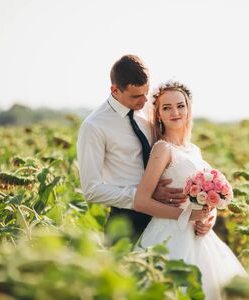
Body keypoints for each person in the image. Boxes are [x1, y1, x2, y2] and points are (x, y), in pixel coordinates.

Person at [76, 55, 214, 240]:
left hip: (169, 220)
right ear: (114, 90)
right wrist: (144, 195)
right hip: (127, 221)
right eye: (135, 96)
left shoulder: (152, 111)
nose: (143, 101)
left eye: (146, 93)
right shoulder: (94, 126)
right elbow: (92, 189)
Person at [134, 81, 247, 299]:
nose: (175, 112)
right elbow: (141, 201)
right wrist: (187, 215)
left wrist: (210, 217)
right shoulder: (162, 148)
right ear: (158, 114)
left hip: (200, 236)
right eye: (166, 108)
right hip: (169, 233)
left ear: (188, 109)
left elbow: (206, 202)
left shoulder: (194, 150)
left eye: (180, 106)